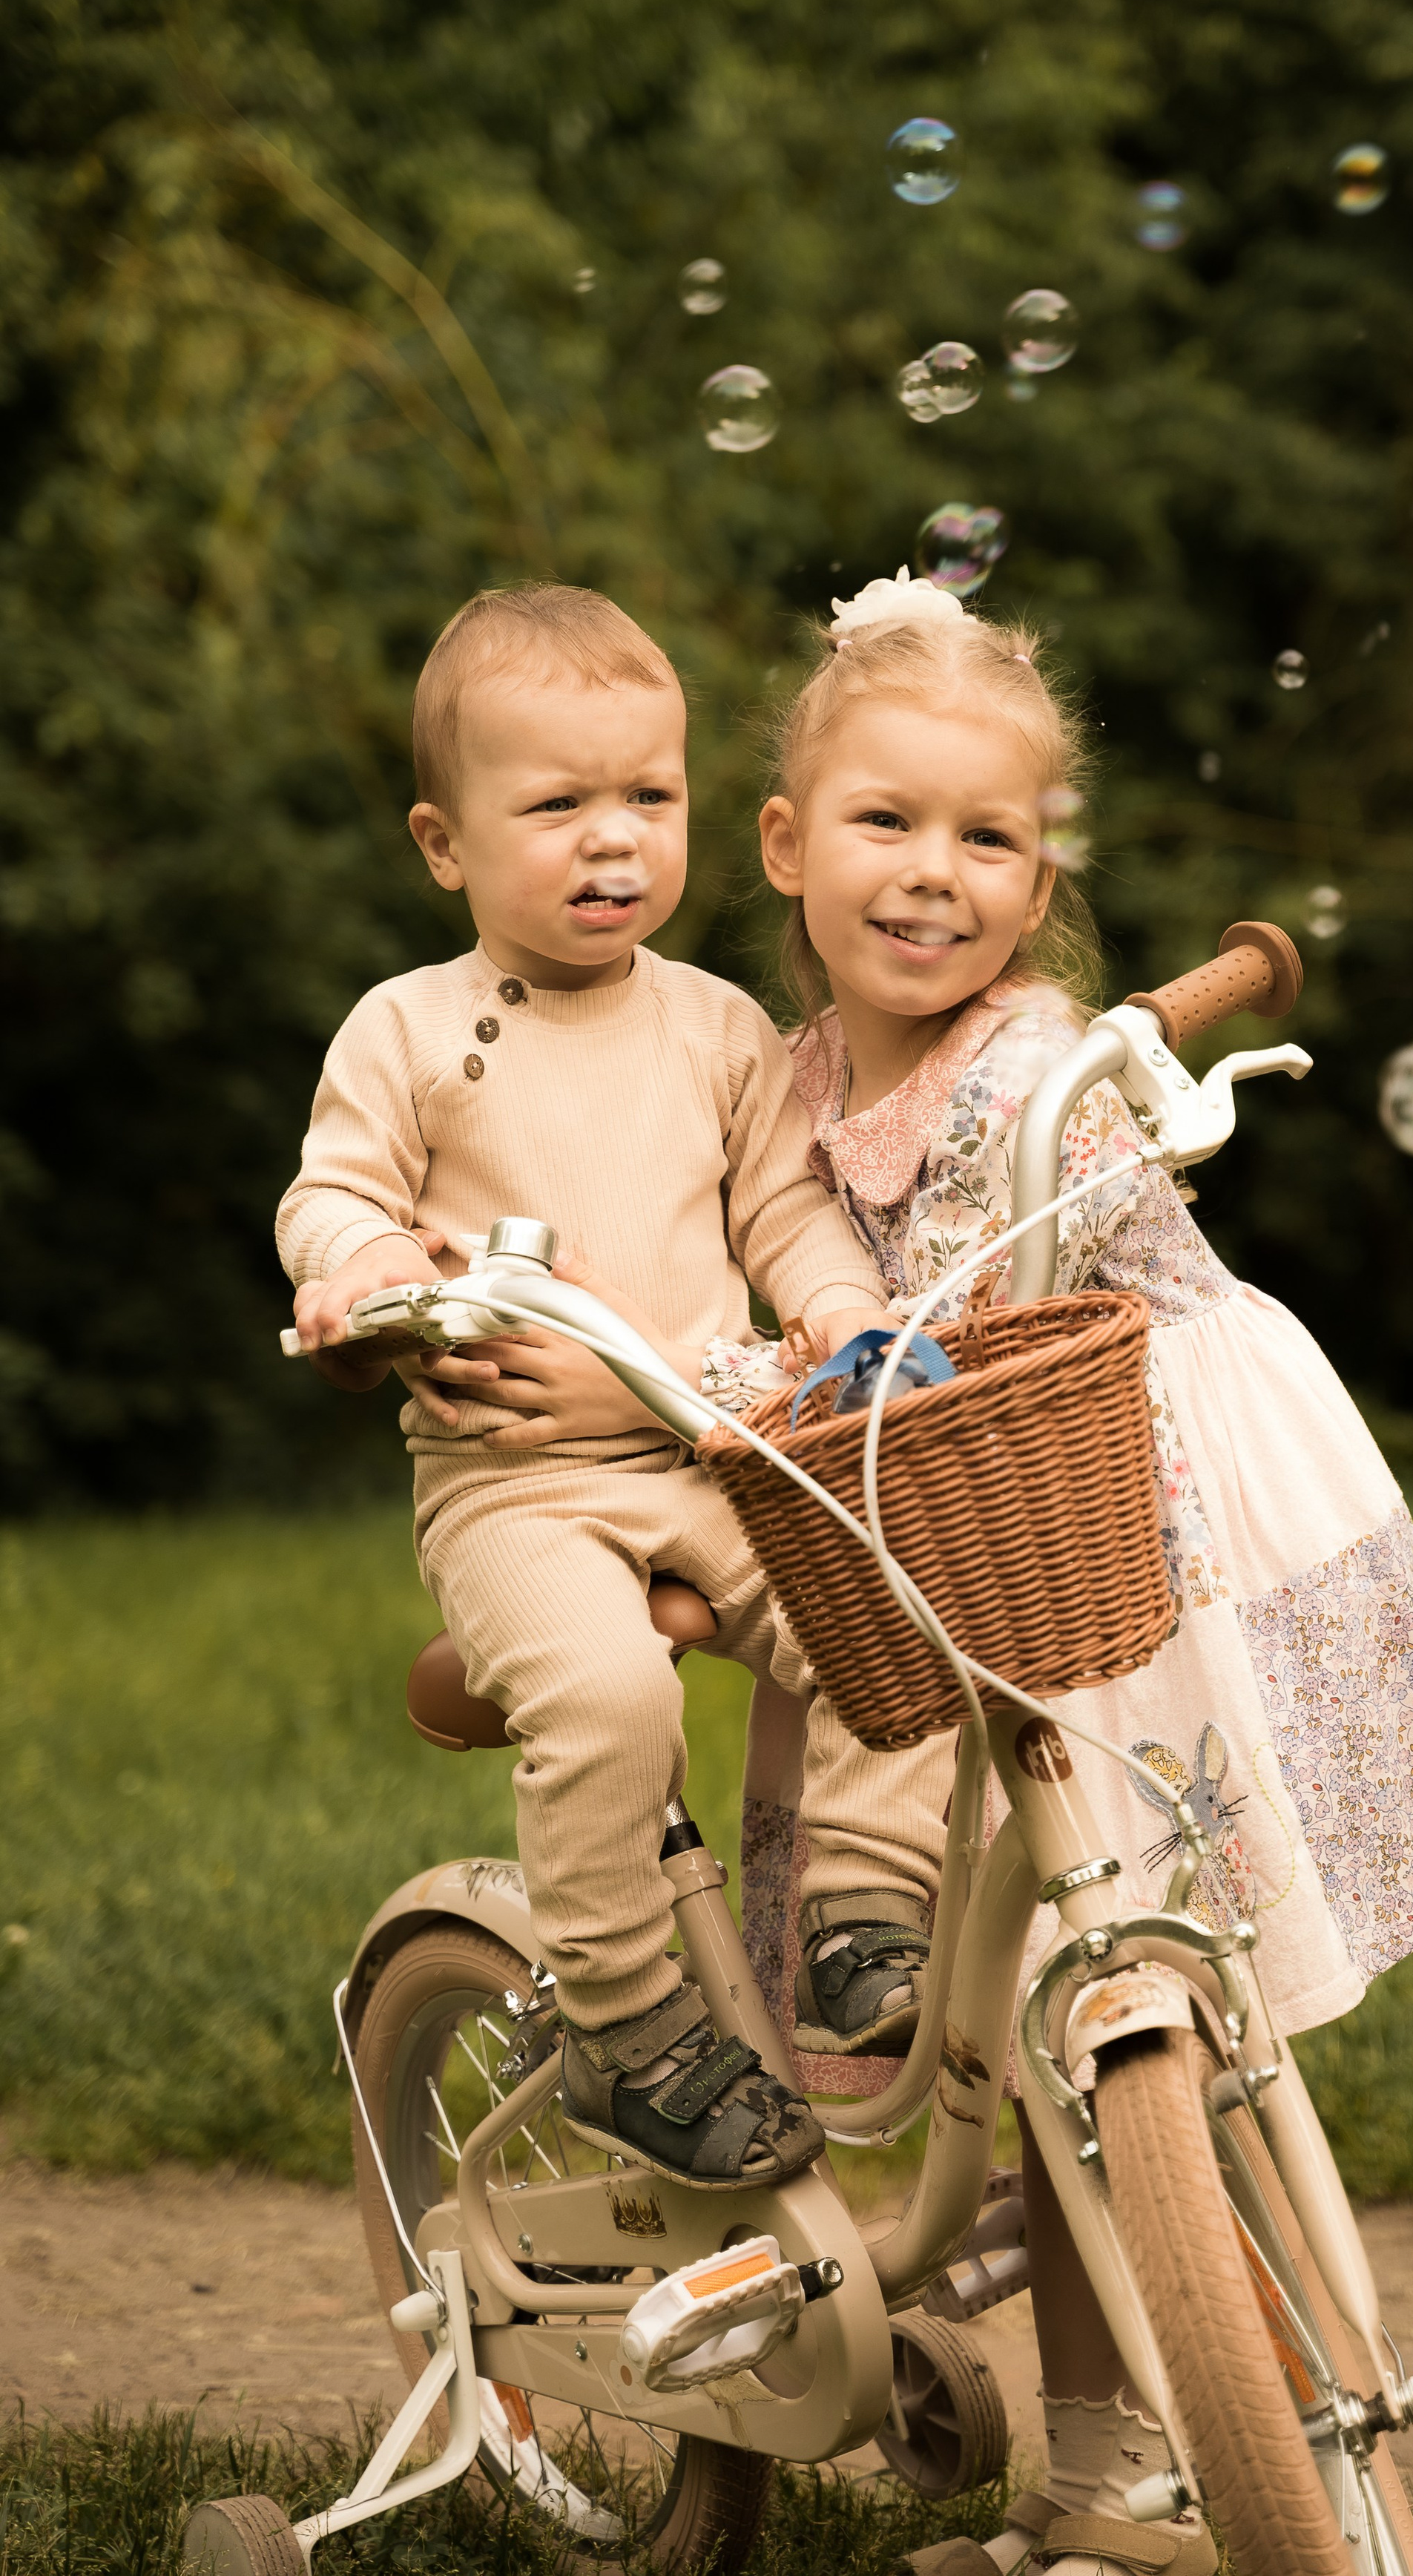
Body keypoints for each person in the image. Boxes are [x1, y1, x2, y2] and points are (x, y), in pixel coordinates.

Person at [745, 566, 1413, 2571]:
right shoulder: (789, 1081)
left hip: (1129, 1520)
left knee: (1140, 2002)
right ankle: (1101, 2472)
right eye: (886, 823)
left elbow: (1092, 1183)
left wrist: (1125, 1110)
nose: (937, 875)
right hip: (950, 1551)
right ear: (786, 845)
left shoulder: (1037, 1054)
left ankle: (1178, 2431)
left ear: (1040, 870)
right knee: (1054, 2029)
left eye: (988, 838)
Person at [279, 581, 945, 2187]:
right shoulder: (410, 1029)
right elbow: (336, 1193)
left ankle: (859, 1914)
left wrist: (845, 1312)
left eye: (649, 798)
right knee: (605, 1697)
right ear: (446, 844)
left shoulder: (719, 1030)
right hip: (515, 1485)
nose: (613, 841)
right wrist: (363, 1273)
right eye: (558, 804)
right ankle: (622, 2018)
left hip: (711, 1455)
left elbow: (783, 1209)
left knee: (890, 1610)